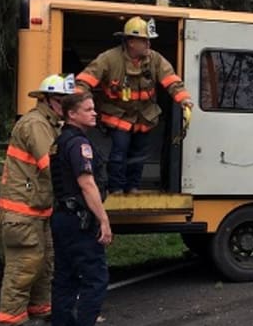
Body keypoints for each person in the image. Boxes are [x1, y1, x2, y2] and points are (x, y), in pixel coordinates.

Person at [75, 16, 193, 195]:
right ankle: (116, 189)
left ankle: (133, 188)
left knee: (139, 155)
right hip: (118, 116)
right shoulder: (109, 59)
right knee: (119, 153)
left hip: (144, 116)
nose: (148, 44)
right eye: (144, 40)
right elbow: (84, 81)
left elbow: (171, 80)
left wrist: (184, 98)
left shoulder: (155, 59)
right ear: (131, 42)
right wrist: (81, 104)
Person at [0, 74, 74, 326]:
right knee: (25, 263)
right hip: (23, 210)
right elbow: (51, 165)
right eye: (63, 101)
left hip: (37, 208)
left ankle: (41, 307)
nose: (67, 107)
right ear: (49, 99)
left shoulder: (50, 124)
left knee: (44, 261)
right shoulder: (36, 125)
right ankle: (12, 318)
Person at [50, 92, 114, 326]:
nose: (94, 113)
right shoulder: (78, 144)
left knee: (64, 282)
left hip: (62, 218)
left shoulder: (60, 142)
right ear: (72, 114)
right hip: (79, 220)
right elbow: (87, 184)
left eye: (94, 108)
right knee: (95, 281)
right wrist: (104, 220)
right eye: (88, 109)